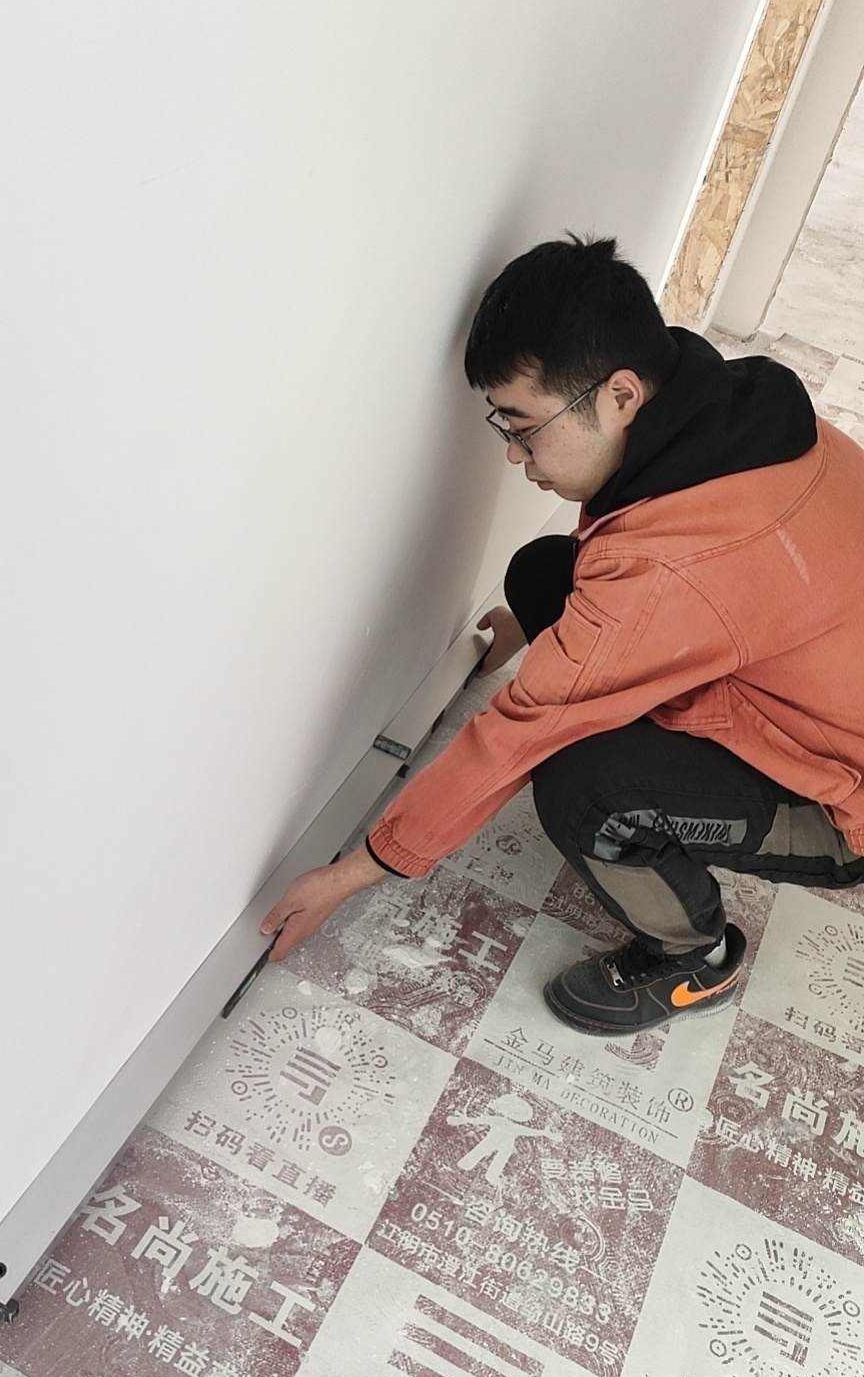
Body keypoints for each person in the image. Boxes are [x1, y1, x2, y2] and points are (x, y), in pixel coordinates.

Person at [261, 235, 864, 1035]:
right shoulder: (738, 418)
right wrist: (533, 624)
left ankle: (694, 957)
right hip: (805, 680)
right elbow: (647, 577)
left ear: (620, 395)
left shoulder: (670, 571)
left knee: (586, 787)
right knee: (549, 570)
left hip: (840, 793)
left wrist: (352, 873)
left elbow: (513, 737)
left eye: (524, 426)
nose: (516, 455)